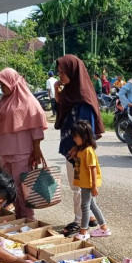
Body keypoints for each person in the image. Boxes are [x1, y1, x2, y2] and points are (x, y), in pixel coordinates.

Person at [0, 68, 48, 220]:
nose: (1, 88)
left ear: (12, 82)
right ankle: (20, 219)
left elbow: (36, 126)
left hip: (22, 152)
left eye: (3, 85)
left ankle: (28, 219)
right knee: (9, 188)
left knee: (22, 188)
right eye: (0, 85)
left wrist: (37, 148)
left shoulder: (28, 101)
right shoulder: (4, 101)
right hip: (4, 152)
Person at [54, 55, 105, 237]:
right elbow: (61, 110)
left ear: (73, 72)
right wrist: (56, 91)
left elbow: (86, 128)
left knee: (78, 185)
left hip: (78, 150)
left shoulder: (83, 96)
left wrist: (77, 148)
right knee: (77, 184)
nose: (60, 76)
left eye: (62, 72)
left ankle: (79, 221)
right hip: (71, 145)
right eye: (59, 72)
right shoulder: (70, 92)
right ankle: (89, 217)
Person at [71, 120, 110, 241]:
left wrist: (94, 186)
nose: (74, 139)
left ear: (85, 136)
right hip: (84, 182)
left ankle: (83, 231)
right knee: (92, 205)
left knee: (85, 206)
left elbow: (93, 169)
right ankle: (104, 228)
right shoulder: (81, 149)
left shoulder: (88, 151)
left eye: (76, 136)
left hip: (88, 183)